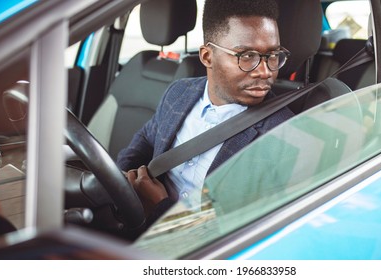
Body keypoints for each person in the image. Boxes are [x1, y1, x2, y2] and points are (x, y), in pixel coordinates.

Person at [117, 0, 294, 226]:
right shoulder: (179, 92)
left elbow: (239, 232)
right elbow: (146, 139)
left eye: (272, 55)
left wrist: (159, 208)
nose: (265, 71)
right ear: (207, 57)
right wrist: (120, 184)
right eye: (247, 56)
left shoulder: (283, 135)